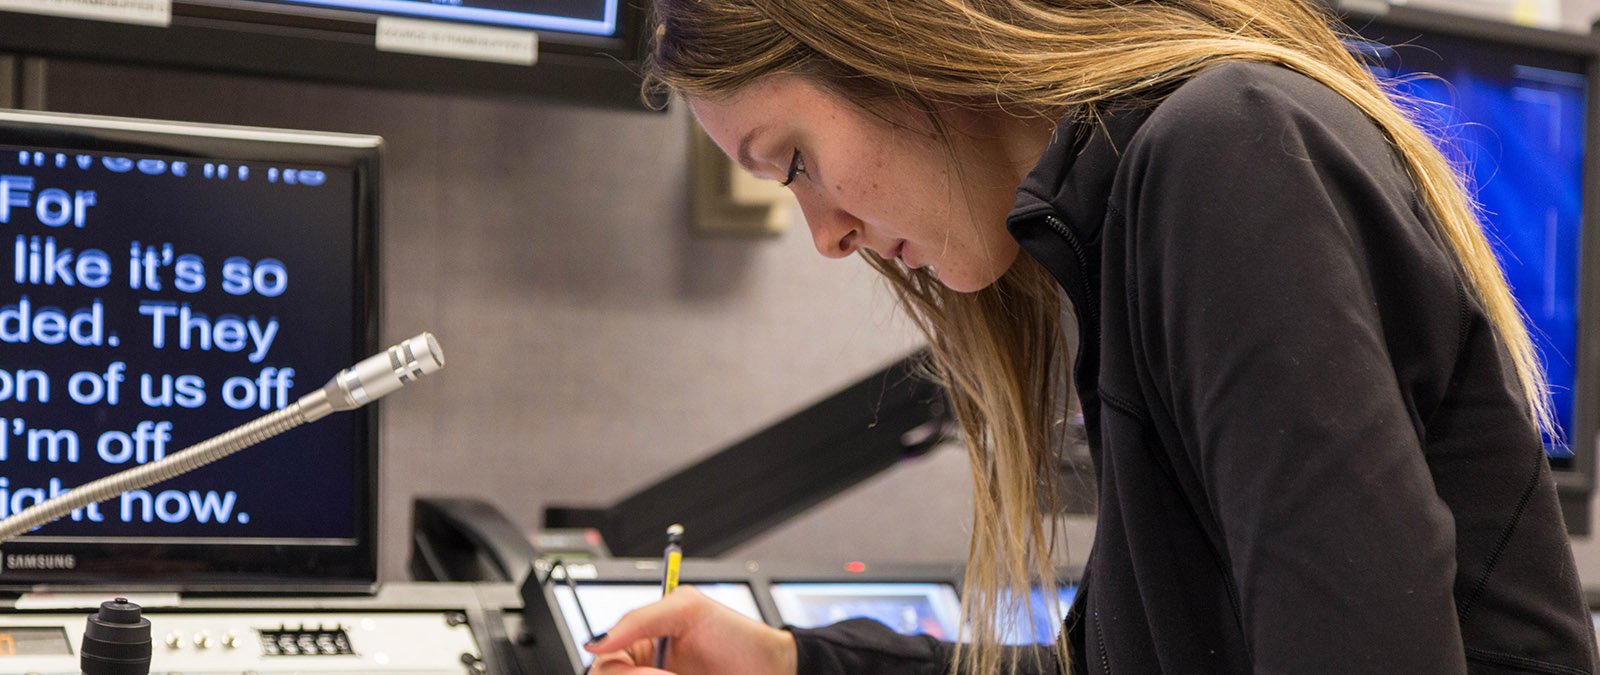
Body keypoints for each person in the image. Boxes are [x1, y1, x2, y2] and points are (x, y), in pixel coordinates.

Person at [584, 0, 1600, 673]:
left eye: (793, 159)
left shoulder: (1224, 155)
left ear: (892, 44)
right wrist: (790, 662)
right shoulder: (1126, 229)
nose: (826, 237)